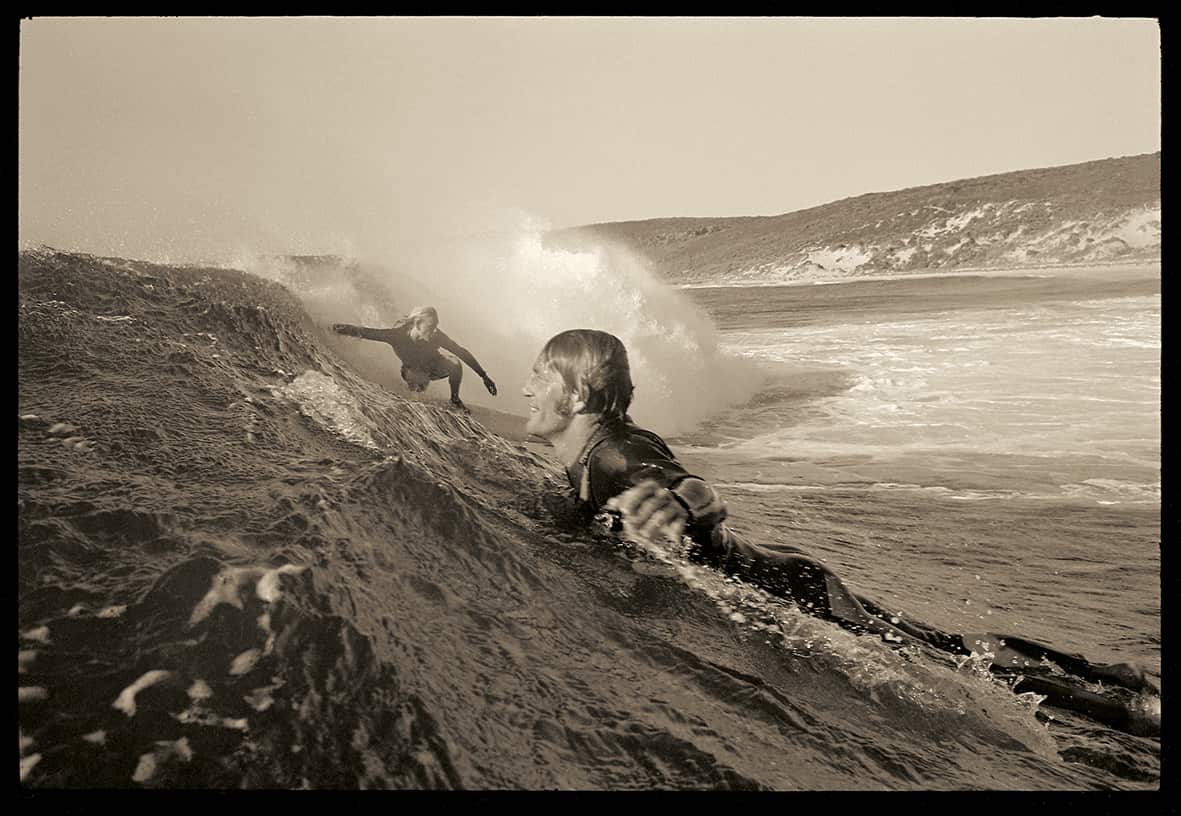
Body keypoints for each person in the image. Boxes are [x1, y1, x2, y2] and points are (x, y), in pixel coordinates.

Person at [522, 329, 1156, 732]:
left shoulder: (614, 454)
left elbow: (700, 490)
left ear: (578, 395)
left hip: (792, 589)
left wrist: (683, 509)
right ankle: (1114, 676)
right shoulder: (596, 456)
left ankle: (1131, 709)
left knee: (955, 666)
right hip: (788, 572)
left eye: (540, 374)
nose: (526, 386)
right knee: (948, 646)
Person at [333, 306, 497, 410]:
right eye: (431, 327)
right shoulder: (397, 336)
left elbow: (461, 352)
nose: (434, 331)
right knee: (417, 380)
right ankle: (413, 398)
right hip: (411, 370)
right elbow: (367, 332)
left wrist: (484, 376)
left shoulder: (437, 337)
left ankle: (454, 399)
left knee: (455, 363)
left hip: (434, 367)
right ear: (417, 325)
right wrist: (336, 328)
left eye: (436, 327)